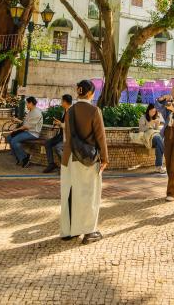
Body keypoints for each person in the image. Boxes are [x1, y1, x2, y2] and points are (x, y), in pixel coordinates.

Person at [60, 79, 108, 244]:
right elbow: (100, 136)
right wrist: (105, 158)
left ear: (78, 92)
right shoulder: (94, 110)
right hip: (87, 158)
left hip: (68, 157)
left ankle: (68, 231)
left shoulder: (70, 110)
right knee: (89, 195)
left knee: (69, 193)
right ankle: (89, 231)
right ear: (91, 93)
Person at [7, 97, 42, 168]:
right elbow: (26, 123)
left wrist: (16, 130)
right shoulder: (31, 111)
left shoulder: (36, 112)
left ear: (31, 103)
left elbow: (27, 126)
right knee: (9, 137)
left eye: (27, 103)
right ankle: (19, 156)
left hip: (33, 133)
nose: (26, 105)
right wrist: (17, 120)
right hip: (27, 131)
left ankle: (25, 158)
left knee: (14, 141)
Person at [43, 94, 73, 174]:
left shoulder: (72, 112)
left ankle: (65, 166)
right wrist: (57, 123)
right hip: (61, 135)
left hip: (69, 137)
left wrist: (60, 123)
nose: (61, 102)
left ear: (65, 102)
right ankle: (51, 164)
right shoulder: (65, 111)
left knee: (58, 148)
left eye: (61, 101)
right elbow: (64, 123)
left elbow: (70, 127)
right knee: (47, 143)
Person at [138, 103, 165, 173]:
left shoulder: (155, 118)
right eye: (152, 111)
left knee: (159, 144)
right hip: (147, 137)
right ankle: (163, 164)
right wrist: (150, 123)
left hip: (155, 136)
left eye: (154, 112)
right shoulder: (143, 118)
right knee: (159, 140)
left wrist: (157, 124)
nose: (153, 113)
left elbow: (156, 129)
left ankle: (158, 167)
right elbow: (141, 129)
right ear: (148, 110)